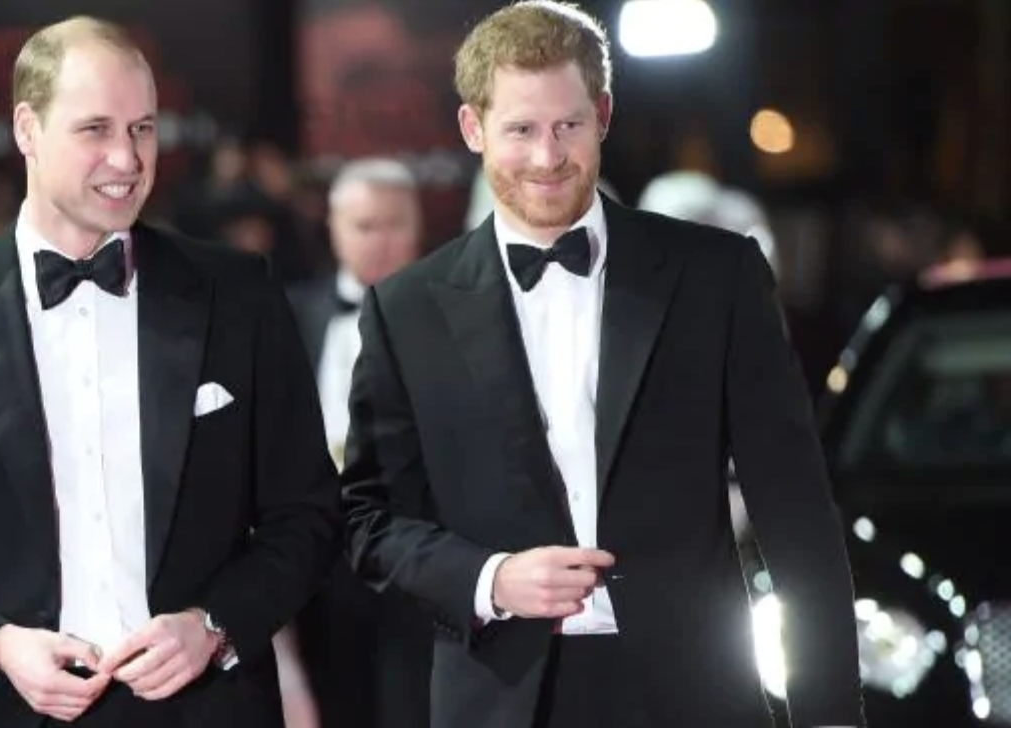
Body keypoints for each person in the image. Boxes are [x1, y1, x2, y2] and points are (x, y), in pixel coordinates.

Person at [340, 1, 864, 727]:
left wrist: (831, 717)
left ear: (604, 114)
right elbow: (368, 520)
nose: (548, 157)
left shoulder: (716, 276)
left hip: (693, 697)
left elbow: (797, 513)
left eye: (569, 125)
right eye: (521, 129)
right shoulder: (407, 308)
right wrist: (490, 579)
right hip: (500, 700)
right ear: (472, 128)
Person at [0, 16, 339, 728]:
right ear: (27, 129)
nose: (127, 159)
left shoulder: (237, 295)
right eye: (95, 129)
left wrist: (215, 624)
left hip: (206, 708)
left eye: (144, 129)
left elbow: (307, 513)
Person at [286, 158, 430, 727]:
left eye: (394, 224)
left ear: (418, 227)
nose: (380, 240)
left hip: (420, 549)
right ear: (333, 227)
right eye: (364, 225)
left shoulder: (452, 312)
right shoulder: (292, 312)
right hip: (321, 556)